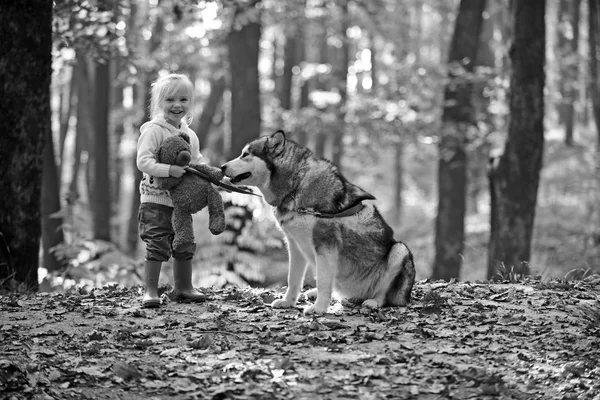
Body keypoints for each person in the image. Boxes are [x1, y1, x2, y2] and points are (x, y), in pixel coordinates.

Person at [136, 73, 208, 308]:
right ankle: (150, 291)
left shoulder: (190, 135)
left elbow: (195, 163)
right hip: (155, 200)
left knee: (184, 242)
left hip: (180, 203)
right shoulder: (154, 131)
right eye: (170, 100)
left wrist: (208, 177)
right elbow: (143, 161)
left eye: (183, 99)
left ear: (190, 103)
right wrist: (168, 170)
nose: (177, 105)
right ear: (159, 103)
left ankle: (184, 287)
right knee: (157, 243)